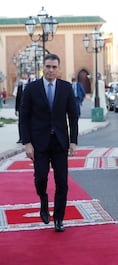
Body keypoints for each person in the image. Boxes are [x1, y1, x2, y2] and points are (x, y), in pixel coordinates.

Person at [19, 54, 78, 232]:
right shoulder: (31, 88)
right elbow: (23, 118)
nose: (51, 70)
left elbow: (73, 117)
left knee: (62, 182)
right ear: (43, 68)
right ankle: (43, 199)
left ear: (58, 68)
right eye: (48, 66)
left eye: (54, 67)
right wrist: (27, 143)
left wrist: (73, 141)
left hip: (60, 143)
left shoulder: (66, 88)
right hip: (39, 143)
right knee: (41, 178)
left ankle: (58, 218)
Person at [15, 73, 29, 144]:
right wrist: (16, 109)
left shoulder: (31, 85)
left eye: (25, 76)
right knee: (20, 123)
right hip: (21, 108)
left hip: (29, 108)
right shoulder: (20, 86)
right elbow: (17, 98)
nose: (24, 77)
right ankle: (21, 138)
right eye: (23, 76)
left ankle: (28, 137)